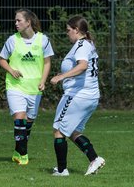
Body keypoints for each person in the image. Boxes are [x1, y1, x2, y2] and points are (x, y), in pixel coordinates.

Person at [50, 15, 105, 176]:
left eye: (69, 30)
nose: (67, 33)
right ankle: (94, 159)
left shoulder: (81, 45)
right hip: (90, 96)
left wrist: (61, 76)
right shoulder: (88, 44)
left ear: (77, 30)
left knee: (59, 130)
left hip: (78, 95)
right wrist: (66, 74)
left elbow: (82, 66)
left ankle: (62, 170)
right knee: (73, 131)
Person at [0, 8, 54, 165]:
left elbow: (47, 62)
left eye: (19, 20)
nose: (15, 23)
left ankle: (18, 150)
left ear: (28, 22)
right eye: (15, 20)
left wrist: (43, 81)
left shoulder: (43, 40)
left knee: (29, 121)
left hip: (34, 88)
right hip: (15, 86)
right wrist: (11, 70)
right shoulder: (12, 40)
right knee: (19, 117)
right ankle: (23, 154)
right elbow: (2, 59)